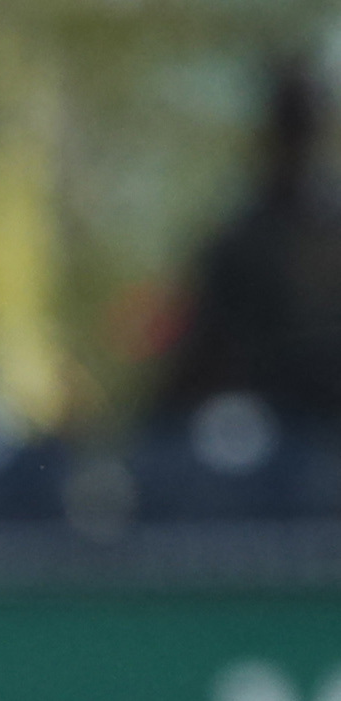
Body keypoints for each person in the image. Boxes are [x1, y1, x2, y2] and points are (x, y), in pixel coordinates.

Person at [156, 57, 341, 434]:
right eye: (290, 123)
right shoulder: (239, 237)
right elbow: (204, 345)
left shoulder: (327, 227)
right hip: (252, 419)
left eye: (303, 122)